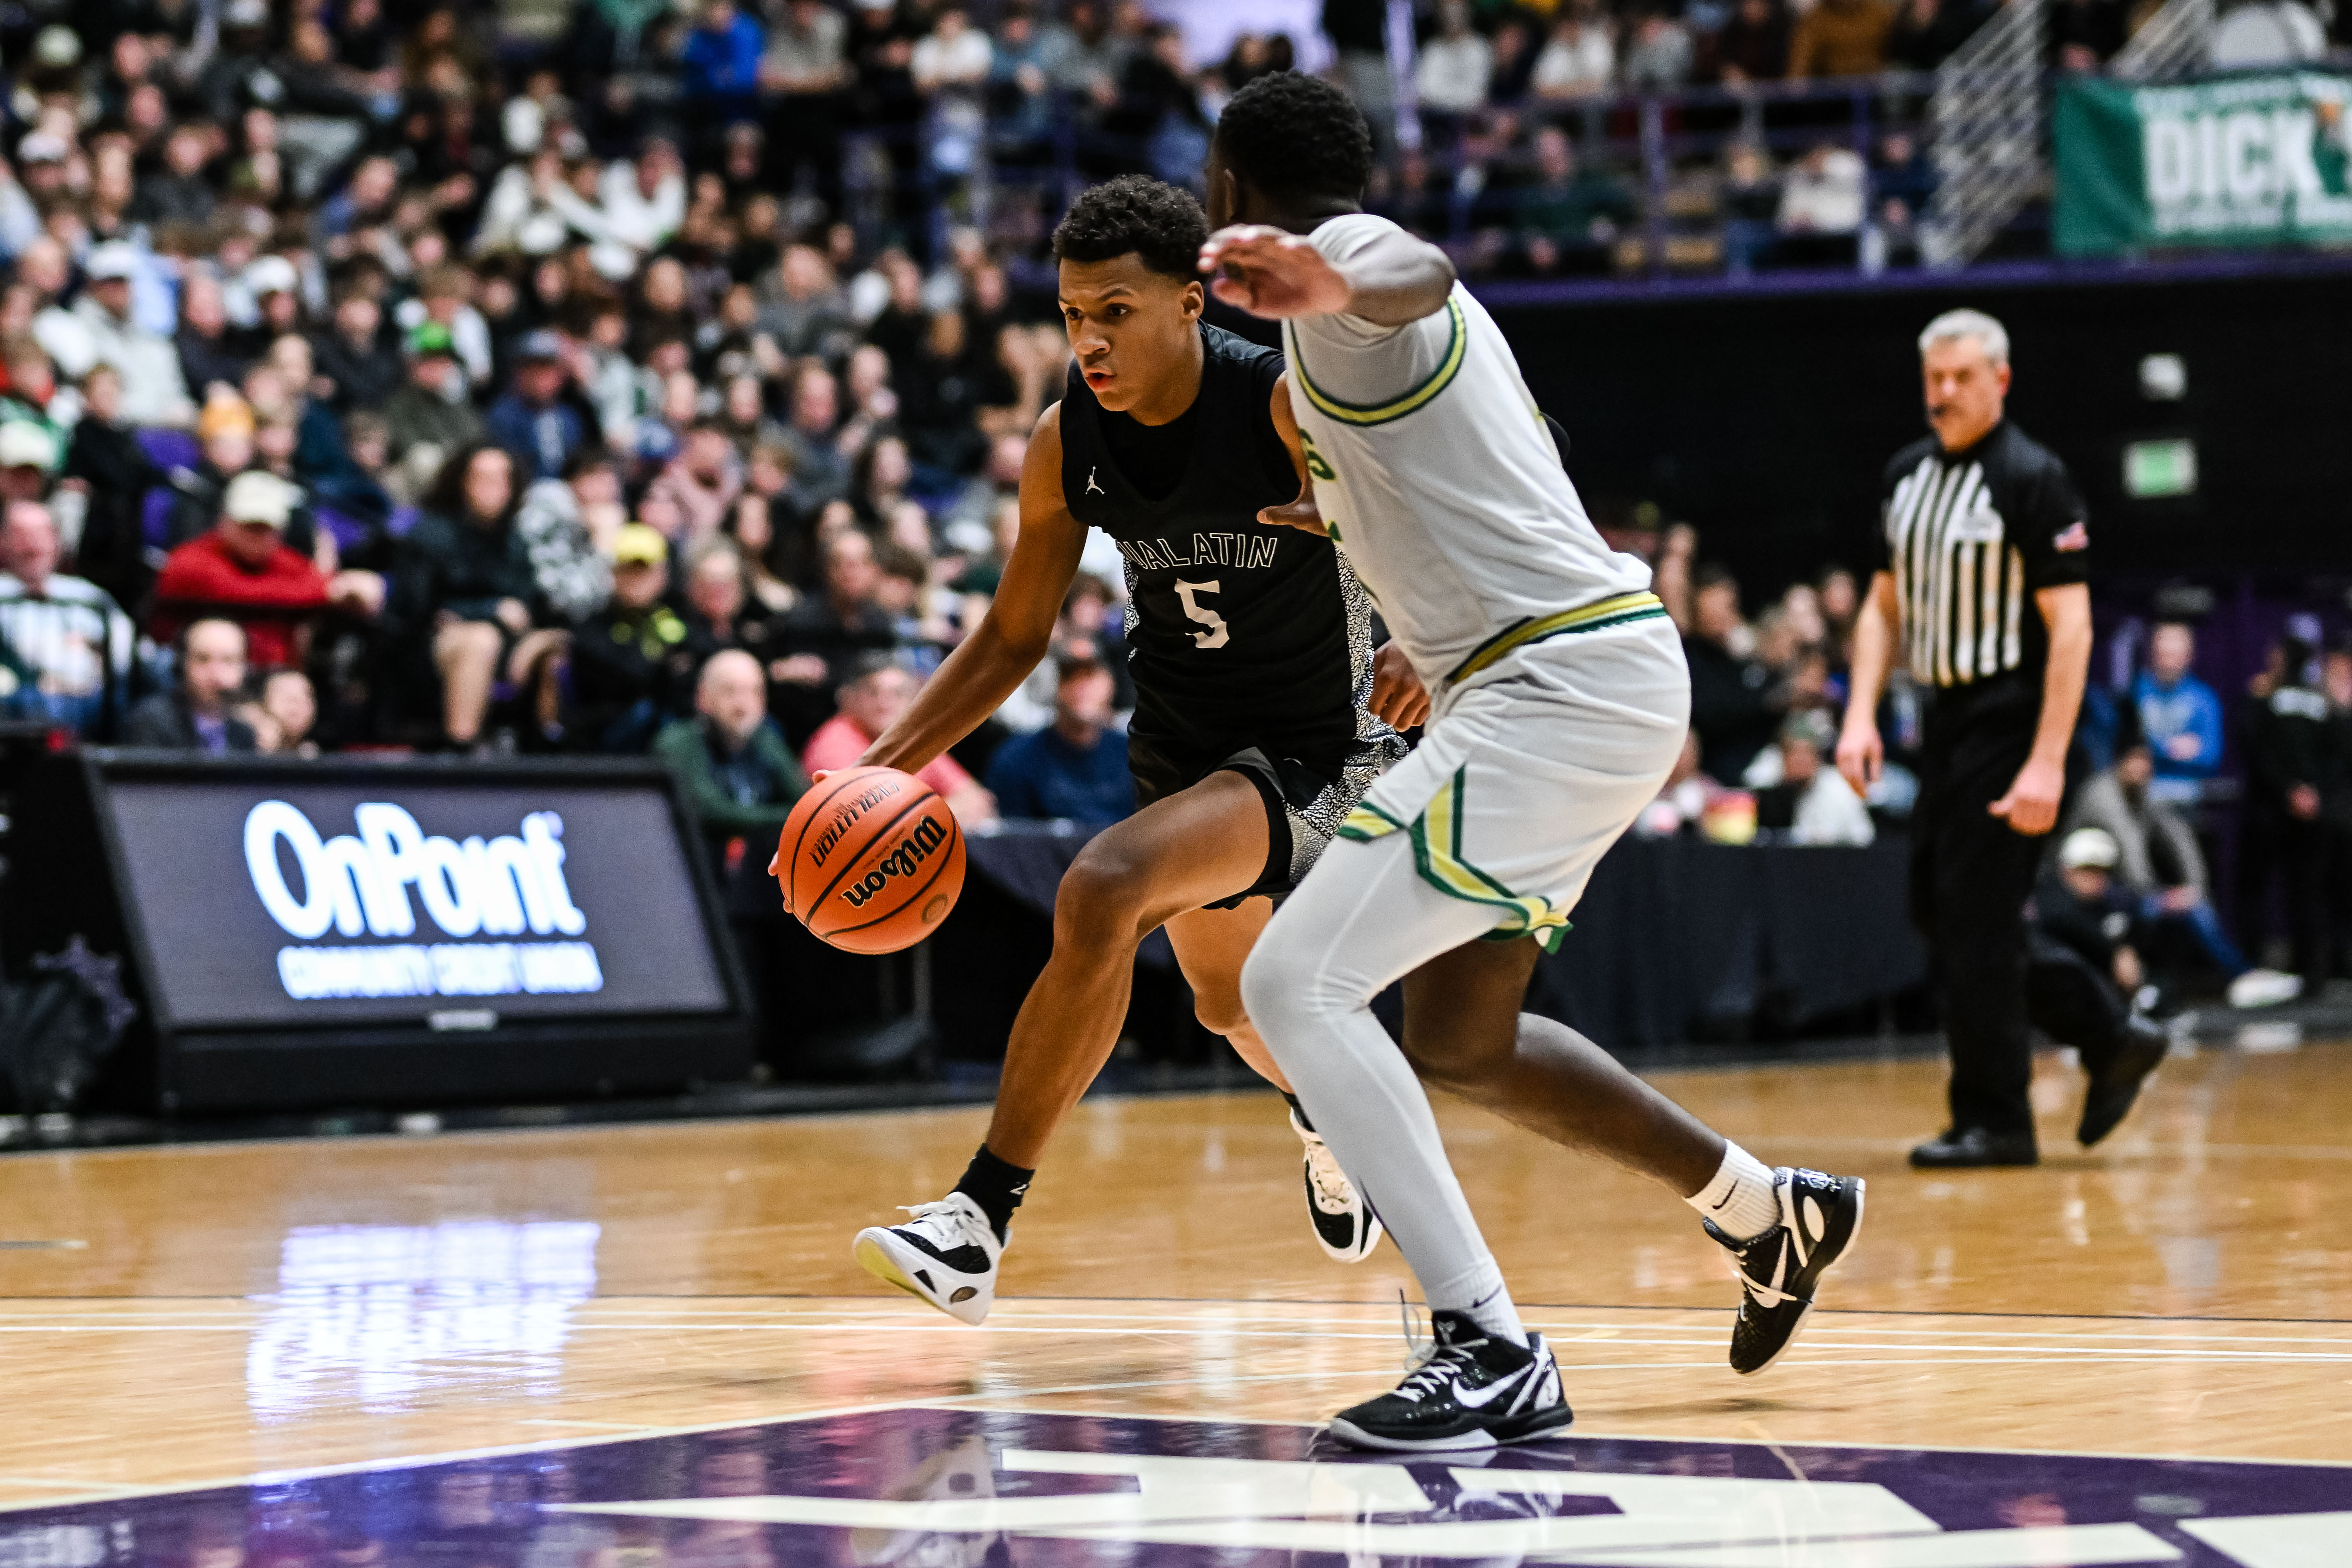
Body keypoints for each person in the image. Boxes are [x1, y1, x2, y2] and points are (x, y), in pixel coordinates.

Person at [1197, 70, 1861, 1452]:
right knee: (1459, 1036)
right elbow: (1463, 492)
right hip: (1555, 677)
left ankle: (1487, 1339)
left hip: (1555, 683)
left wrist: (1320, 266)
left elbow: (1412, 267)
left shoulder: (1364, 304)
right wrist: (1408, 615)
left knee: (1290, 978)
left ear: (1227, 194)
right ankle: (1762, 1205)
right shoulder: (1339, 361)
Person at [845, 175, 1423, 1327]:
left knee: (1102, 885)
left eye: (1115, 310)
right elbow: (1015, 631)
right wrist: (886, 762)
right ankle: (1330, 1112)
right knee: (1233, 1010)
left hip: (1322, 744)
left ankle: (976, 1219)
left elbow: (1425, 500)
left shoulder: (1276, 405)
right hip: (1186, 748)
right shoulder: (1070, 438)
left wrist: (1421, 627)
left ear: (1191, 302)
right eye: (1071, 315)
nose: (1090, 339)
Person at [1837, 309, 2106, 1169]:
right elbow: (1883, 607)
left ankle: (1997, 1119)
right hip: (1941, 716)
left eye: (1961, 377)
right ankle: (2112, 1028)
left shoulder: (2035, 478)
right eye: (1933, 379)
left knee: (1976, 924)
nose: (1943, 393)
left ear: (2000, 379)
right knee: (1940, 910)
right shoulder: (1906, 475)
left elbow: (2072, 630)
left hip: (2012, 712)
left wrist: (2047, 759)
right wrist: (1858, 713)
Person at [2025, 829, 2172, 1146]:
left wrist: (2124, 952)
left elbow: (2141, 935)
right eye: (2086, 870)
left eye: (2102, 872)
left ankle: (2116, 1039)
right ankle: (2116, 1039)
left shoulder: (2114, 906)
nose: (2095, 880)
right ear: (2065, 869)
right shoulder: (2052, 902)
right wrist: (2112, 950)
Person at [152, 471, 381, 670]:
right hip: (191, 681)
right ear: (225, 520)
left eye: (267, 527)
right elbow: (240, 591)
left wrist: (351, 589)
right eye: (249, 525)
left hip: (272, 679)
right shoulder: (189, 560)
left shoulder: (285, 561)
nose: (258, 537)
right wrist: (330, 589)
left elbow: (317, 585)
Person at [655, 648, 813, 871]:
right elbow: (710, 812)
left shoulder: (766, 739)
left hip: (759, 872)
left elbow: (807, 802)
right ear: (702, 698)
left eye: (754, 692)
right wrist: (789, 818)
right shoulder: (679, 742)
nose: (743, 705)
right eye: (730, 692)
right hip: (698, 871)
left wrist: (797, 816)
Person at [802, 654, 999, 826]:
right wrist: (939, 814)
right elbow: (866, 821)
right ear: (850, 698)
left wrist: (918, 818)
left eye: (898, 694)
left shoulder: (911, 740)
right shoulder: (834, 741)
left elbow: (977, 800)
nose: (885, 703)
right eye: (873, 693)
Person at [0, 499, 135, 737]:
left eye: (43, 533)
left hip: (91, 694)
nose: (34, 544)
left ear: (57, 542)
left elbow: (123, 647)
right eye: (22, 534)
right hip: (24, 702)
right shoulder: (4, 595)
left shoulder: (87, 595)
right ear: (4, 542)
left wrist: (96, 663)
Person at [983, 651, 1135, 827]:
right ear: (1053, 684)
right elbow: (1013, 841)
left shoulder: (1136, 756)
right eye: (1070, 675)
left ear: (1110, 683)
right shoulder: (1016, 759)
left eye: (1090, 675)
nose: (1082, 687)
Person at [124, 618, 259, 752]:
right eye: (203, 659)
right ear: (181, 665)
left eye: (228, 660)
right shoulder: (151, 722)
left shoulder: (244, 733)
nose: (216, 674)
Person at [2131, 620, 2225, 804]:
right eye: (2164, 655)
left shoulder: (2204, 699)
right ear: (2153, 655)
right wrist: (2170, 747)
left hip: (2188, 795)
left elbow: (2210, 756)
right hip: (2140, 792)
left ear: (2189, 657)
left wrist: (2152, 748)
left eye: (2175, 656)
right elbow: (2127, 751)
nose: (2169, 663)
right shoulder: (2136, 692)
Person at [1753, 709, 1875, 844]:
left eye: (1806, 753)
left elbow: (1864, 837)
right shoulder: (1768, 778)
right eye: (1792, 753)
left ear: (1818, 758)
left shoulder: (1840, 787)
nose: (1799, 760)